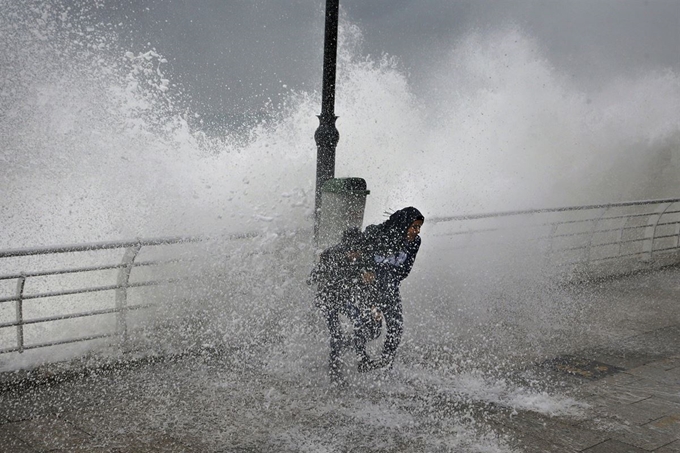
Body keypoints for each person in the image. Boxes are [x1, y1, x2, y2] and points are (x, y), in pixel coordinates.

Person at [308, 228, 383, 384]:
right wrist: (322, 271)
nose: (356, 254)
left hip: (342, 299)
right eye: (353, 250)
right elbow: (311, 278)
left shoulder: (359, 258)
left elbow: (367, 286)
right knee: (336, 333)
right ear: (345, 247)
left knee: (358, 322)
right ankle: (334, 367)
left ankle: (362, 359)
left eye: (359, 250)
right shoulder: (332, 257)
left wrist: (374, 307)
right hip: (326, 299)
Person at [357, 206, 424, 371]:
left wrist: (389, 278)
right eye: (414, 226)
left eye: (419, 227)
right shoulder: (380, 235)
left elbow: (405, 269)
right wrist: (367, 271)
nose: (416, 231)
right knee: (373, 330)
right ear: (404, 224)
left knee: (396, 327)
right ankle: (358, 354)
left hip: (390, 289)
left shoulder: (415, 242)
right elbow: (360, 252)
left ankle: (385, 364)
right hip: (369, 289)